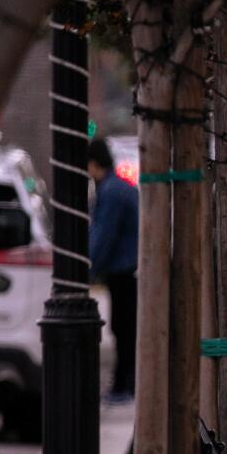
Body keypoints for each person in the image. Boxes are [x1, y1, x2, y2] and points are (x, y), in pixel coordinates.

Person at [87, 139, 139, 402]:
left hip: (124, 271)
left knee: (124, 327)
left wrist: (88, 268)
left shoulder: (110, 191)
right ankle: (125, 382)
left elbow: (103, 235)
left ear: (94, 163)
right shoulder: (121, 187)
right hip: (129, 269)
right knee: (125, 327)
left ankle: (124, 384)